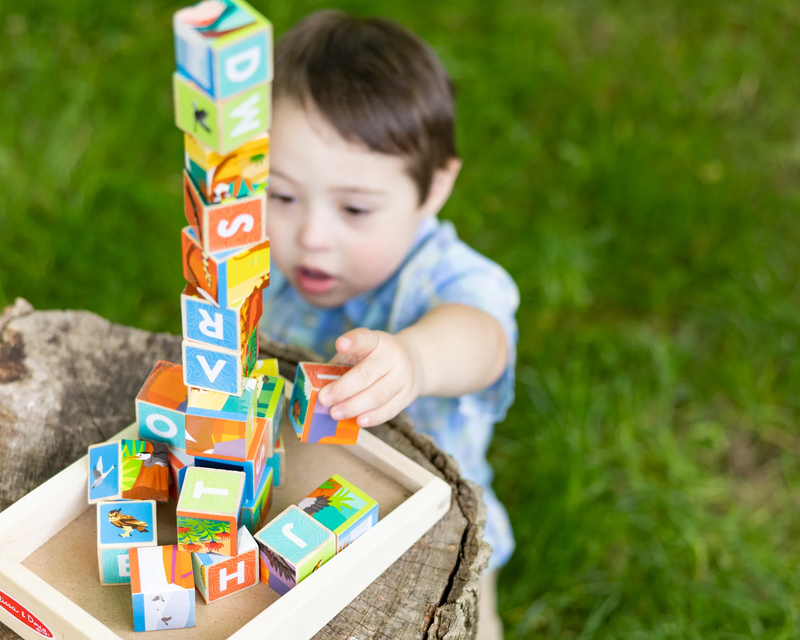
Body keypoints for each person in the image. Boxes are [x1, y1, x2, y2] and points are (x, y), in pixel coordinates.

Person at [259, 10, 518, 638]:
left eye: (354, 208)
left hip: (435, 522)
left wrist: (418, 359)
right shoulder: (269, 268)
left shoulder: (442, 279)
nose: (312, 238)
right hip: (301, 495)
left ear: (433, 188)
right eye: (282, 195)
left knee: (464, 614)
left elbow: (483, 340)